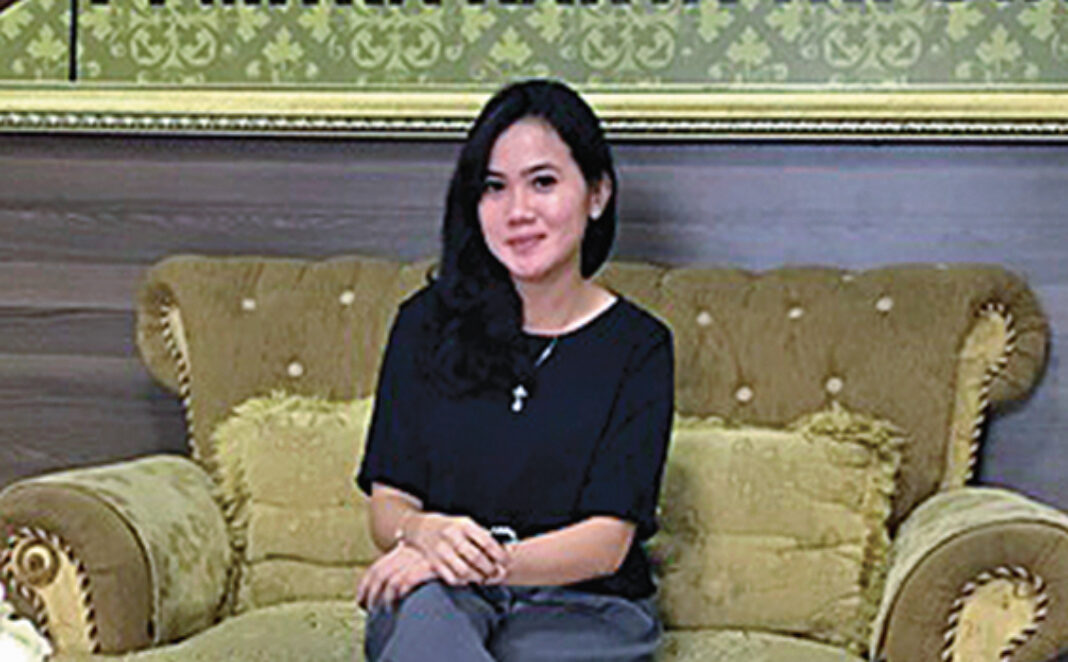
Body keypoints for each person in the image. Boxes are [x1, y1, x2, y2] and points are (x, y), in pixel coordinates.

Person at [354, 79, 674, 662]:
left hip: (584, 608)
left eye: (543, 182)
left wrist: (471, 561)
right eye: (494, 187)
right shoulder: (424, 324)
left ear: (597, 193)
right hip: (440, 595)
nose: (518, 211)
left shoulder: (639, 346)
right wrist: (425, 535)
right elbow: (389, 504)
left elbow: (605, 543)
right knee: (429, 630)